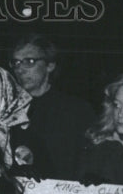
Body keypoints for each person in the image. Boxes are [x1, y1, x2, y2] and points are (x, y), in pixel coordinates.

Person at [7, 33, 96, 181]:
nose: (20, 69)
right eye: (15, 63)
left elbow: (92, 162)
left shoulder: (77, 110)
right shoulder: (7, 110)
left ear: (50, 65)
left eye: (29, 61)